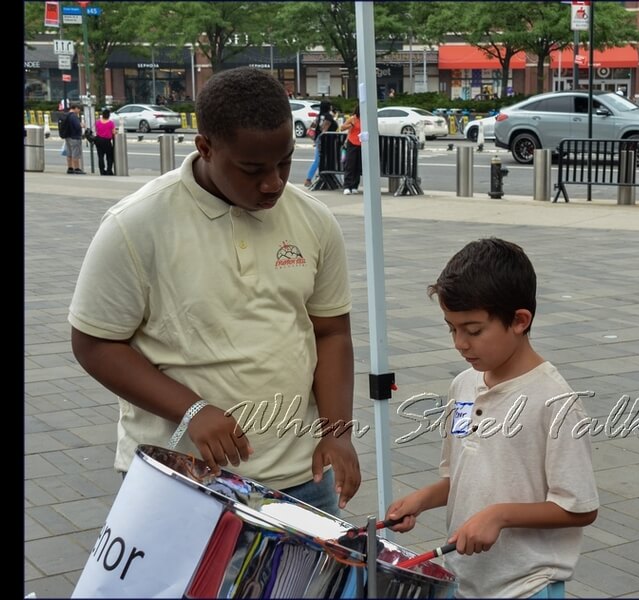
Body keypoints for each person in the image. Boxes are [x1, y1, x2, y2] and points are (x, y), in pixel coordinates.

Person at [67, 67, 360, 515]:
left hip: (301, 482)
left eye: (284, 161)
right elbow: (94, 343)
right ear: (205, 147)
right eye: (252, 169)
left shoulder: (314, 221)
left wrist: (336, 432)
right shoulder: (135, 225)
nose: (274, 183)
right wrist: (193, 410)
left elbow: (331, 333)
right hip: (178, 481)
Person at [386, 238, 600, 599]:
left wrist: (500, 515)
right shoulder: (463, 387)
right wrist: (422, 499)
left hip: (526, 586)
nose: (459, 343)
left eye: (473, 330)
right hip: (466, 582)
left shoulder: (555, 402)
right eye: (451, 328)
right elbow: (463, 475)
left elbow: (579, 507)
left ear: (519, 321)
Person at [305, 100, 336, 187]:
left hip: (319, 139)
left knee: (318, 160)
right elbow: (324, 129)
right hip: (326, 140)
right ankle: (314, 178)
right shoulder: (328, 117)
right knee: (326, 160)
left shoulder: (318, 116)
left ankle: (310, 179)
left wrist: (315, 139)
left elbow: (310, 130)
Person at [340, 105, 362, 195]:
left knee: (358, 165)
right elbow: (342, 128)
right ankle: (347, 186)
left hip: (361, 144)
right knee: (350, 165)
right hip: (352, 143)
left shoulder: (365, 119)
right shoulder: (353, 118)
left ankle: (354, 186)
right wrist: (351, 125)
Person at [62, 104, 85, 175]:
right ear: (75, 108)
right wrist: (82, 125)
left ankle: (70, 168)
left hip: (67, 136)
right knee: (76, 153)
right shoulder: (73, 116)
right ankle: (77, 168)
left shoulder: (65, 115)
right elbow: (78, 126)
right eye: (78, 109)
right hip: (75, 137)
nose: (79, 111)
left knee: (69, 153)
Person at [94, 108, 116, 175]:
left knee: (100, 156)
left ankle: (102, 171)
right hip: (107, 141)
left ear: (102, 115)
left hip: (98, 140)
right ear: (109, 115)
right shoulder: (111, 123)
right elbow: (114, 132)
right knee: (109, 156)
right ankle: (109, 170)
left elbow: (96, 130)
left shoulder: (97, 122)